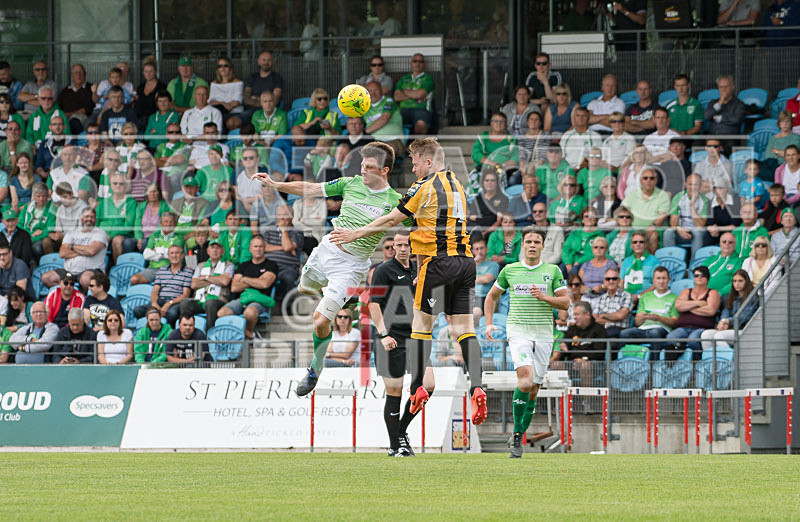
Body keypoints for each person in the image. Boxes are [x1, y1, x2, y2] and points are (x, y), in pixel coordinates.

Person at [329, 137, 488, 426]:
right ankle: (477, 384)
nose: (413, 169)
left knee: (420, 326)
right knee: (464, 328)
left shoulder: (423, 187)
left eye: (415, 163)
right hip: (466, 264)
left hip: (436, 263)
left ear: (428, 162)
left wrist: (355, 233)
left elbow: (392, 219)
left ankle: (416, 388)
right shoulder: (457, 184)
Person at [255, 142, 406, 390]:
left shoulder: (395, 200)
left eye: (369, 167)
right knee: (303, 288)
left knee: (319, 320)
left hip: (351, 266)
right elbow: (312, 188)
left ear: (385, 170)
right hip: (326, 250)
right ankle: (339, 296)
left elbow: (420, 223)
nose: (363, 171)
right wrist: (277, 185)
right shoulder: (351, 183)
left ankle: (315, 367)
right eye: (362, 165)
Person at [483, 227, 569, 458]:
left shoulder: (552, 271)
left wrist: (545, 297)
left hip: (543, 334)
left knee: (533, 389)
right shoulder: (510, 270)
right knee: (525, 380)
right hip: (518, 331)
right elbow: (491, 296)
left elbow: (565, 303)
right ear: (522, 245)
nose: (532, 245)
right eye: (528, 241)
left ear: (542, 246)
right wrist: (489, 323)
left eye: (536, 242)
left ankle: (518, 435)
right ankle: (518, 436)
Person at [368, 230, 431, 457]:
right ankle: (396, 446)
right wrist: (384, 334)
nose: (403, 249)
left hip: (415, 337)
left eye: (407, 245)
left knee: (429, 386)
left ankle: (401, 431)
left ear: (413, 247)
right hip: (391, 336)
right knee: (394, 391)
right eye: (399, 245)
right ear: (393, 246)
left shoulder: (419, 271)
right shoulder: (383, 271)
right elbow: (373, 305)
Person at [217, 236, 278, 339]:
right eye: (255, 246)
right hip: (243, 298)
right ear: (250, 249)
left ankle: (247, 334)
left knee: (249, 313)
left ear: (265, 248)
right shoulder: (243, 266)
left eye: (260, 246)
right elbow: (234, 287)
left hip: (260, 299)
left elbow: (265, 284)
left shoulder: (271, 265)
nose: (258, 249)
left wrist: (244, 279)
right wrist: (257, 280)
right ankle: (251, 335)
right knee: (221, 313)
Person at [551, 300, 606, 400]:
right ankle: (562, 402)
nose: (574, 317)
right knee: (556, 364)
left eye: (577, 314)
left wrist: (584, 358)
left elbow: (599, 353)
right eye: (574, 314)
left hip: (593, 365)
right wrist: (566, 351)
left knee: (585, 366)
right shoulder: (572, 329)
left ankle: (586, 403)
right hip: (572, 363)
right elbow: (564, 349)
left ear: (587, 315)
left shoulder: (599, 330)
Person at [42, 208, 108, 291]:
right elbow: (62, 253)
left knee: (86, 279)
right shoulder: (71, 233)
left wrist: (72, 247)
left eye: (92, 217)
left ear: (95, 219)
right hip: (69, 271)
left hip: (92, 270)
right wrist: (84, 250)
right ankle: (69, 295)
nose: (89, 219)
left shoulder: (100, 233)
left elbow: (92, 251)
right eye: (87, 216)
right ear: (81, 218)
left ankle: (87, 300)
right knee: (46, 278)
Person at [619, 267, 678, 358]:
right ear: (653, 281)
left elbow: (674, 322)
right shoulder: (645, 296)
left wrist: (659, 318)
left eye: (664, 278)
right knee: (624, 334)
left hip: (662, 329)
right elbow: (637, 322)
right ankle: (625, 363)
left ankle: (654, 365)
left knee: (654, 333)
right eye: (658, 278)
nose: (661, 281)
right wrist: (641, 317)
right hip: (643, 329)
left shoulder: (674, 298)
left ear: (669, 280)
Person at [665, 266, 720, 360]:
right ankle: (680, 354)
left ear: (707, 278)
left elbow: (710, 311)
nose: (699, 277)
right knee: (671, 337)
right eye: (696, 275)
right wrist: (698, 303)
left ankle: (696, 362)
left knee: (693, 339)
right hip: (683, 327)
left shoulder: (712, 293)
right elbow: (678, 306)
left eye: (702, 275)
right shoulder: (686, 291)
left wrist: (688, 307)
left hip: (702, 328)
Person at [179, 238, 233, 331]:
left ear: (223, 251)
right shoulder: (200, 265)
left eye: (218, 248)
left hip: (218, 300)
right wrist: (216, 279)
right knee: (185, 303)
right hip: (200, 299)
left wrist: (206, 277)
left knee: (210, 303)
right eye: (212, 248)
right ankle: (187, 331)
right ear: (208, 251)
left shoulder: (229, 265)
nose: (215, 250)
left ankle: (209, 334)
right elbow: (194, 284)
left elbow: (225, 282)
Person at [700, 270, 758, 352]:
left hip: (744, 330)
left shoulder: (753, 298)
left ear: (746, 282)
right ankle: (710, 361)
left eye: (740, 281)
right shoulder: (730, 297)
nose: (737, 284)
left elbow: (744, 317)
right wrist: (723, 322)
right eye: (734, 281)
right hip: (730, 328)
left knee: (719, 336)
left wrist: (727, 321)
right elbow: (725, 311)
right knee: (706, 334)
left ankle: (730, 361)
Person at [134, 245, 192, 325]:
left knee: (172, 314)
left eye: (177, 253)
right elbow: (155, 290)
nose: (174, 255)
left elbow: (185, 295)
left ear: (182, 256)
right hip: (160, 300)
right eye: (171, 253)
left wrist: (169, 303)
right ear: (168, 256)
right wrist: (154, 303)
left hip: (176, 302)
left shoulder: (187, 272)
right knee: (138, 310)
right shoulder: (162, 270)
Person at [622, 168, 670, 253]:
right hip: (633, 228)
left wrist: (647, 229)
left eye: (651, 178)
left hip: (653, 228)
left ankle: (648, 261)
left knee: (653, 235)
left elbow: (660, 219)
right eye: (645, 178)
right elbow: (623, 210)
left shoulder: (663, 195)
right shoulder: (632, 194)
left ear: (655, 180)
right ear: (641, 181)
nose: (648, 180)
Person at [663, 174, 710, 257]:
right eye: (690, 184)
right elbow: (673, 222)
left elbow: (700, 225)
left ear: (700, 186)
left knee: (697, 232)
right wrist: (679, 229)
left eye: (696, 184)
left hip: (697, 234)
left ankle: (694, 264)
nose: (693, 187)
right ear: (686, 185)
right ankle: (670, 260)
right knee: (668, 232)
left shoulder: (705, 200)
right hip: (681, 231)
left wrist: (692, 205)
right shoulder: (678, 197)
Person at [97, 172, 138, 261]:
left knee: (117, 240)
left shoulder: (131, 202)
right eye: (115, 183)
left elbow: (128, 226)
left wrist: (110, 235)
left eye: (121, 184)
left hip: (122, 234)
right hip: (103, 233)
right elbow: (96, 222)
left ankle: (117, 270)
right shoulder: (103, 203)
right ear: (111, 185)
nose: (118, 186)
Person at [394, 54, 435, 135]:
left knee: (421, 124)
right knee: (391, 123)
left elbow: (420, 95)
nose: (417, 63)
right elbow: (396, 97)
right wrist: (413, 95)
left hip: (421, 110)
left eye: (420, 61)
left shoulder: (428, 79)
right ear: (411, 63)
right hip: (402, 110)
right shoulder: (403, 79)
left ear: (424, 64)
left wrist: (405, 91)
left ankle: (417, 146)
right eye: (415, 61)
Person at [362, 80, 405, 157]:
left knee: (382, 150)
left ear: (382, 90)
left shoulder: (388, 100)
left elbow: (384, 118)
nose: (372, 93)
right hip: (373, 142)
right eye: (370, 91)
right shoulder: (365, 106)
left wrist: (365, 132)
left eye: (376, 90)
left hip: (393, 140)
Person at [466, 170, 509, 237]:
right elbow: (471, 218)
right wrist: (488, 218)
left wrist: (484, 232)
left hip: (493, 233)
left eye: (492, 180)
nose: (489, 183)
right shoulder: (477, 199)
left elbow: (498, 221)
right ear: (483, 183)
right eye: (487, 180)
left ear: (497, 183)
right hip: (475, 231)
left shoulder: (503, 199)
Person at [619, 230, 661, 296]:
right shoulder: (626, 262)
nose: (638, 244)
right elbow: (621, 283)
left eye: (641, 242)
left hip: (647, 297)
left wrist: (639, 296)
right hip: (627, 297)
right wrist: (626, 297)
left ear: (645, 244)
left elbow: (657, 283)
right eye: (635, 242)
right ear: (631, 245)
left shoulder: (654, 261)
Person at [57, 64, 94, 134]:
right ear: (72, 75)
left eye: (81, 72)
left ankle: (76, 143)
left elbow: (89, 108)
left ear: (85, 74)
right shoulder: (66, 90)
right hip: (65, 117)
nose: (79, 75)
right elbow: (59, 105)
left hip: (82, 117)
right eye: (76, 73)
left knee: (74, 122)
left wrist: (70, 114)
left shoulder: (90, 88)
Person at [209, 56, 244, 131]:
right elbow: (211, 101)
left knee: (230, 122)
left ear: (231, 68)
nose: (222, 68)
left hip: (234, 112)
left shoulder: (238, 83)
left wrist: (226, 105)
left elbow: (237, 102)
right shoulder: (214, 83)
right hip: (218, 112)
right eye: (220, 66)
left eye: (226, 66)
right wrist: (223, 103)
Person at [703, 232, 743, 297]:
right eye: (724, 242)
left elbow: (734, 283)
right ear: (720, 244)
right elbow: (699, 275)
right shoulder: (710, 259)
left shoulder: (738, 262)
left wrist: (719, 294)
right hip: (703, 294)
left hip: (723, 296)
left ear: (735, 244)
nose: (727, 244)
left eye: (730, 242)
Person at [133, 183, 170, 253]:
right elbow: (137, 224)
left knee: (145, 243)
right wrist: (139, 239)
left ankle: (144, 263)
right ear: (146, 194)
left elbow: (163, 225)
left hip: (156, 237)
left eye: (154, 191)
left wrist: (150, 237)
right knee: (127, 243)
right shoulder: (140, 207)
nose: (152, 194)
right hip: (141, 236)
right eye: (150, 191)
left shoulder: (164, 206)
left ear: (159, 193)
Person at [135, 58, 167, 130]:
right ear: (143, 72)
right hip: (139, 121)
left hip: (155, 121)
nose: (148, 74)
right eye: (146, 71)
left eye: (151, 71)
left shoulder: (162, 86)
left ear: (155, 72)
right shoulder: (140, 87)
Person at [765, 111, 800, 177]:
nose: (785, 124)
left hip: (789, 167)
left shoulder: (796, 137)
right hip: (773, 166)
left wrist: (776, 151)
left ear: (791, 123)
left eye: (787, 121)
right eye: (783, 121)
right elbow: (768, 155)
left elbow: (792, 155)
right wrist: (783, 154)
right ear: (779, 124)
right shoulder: (773, 138)